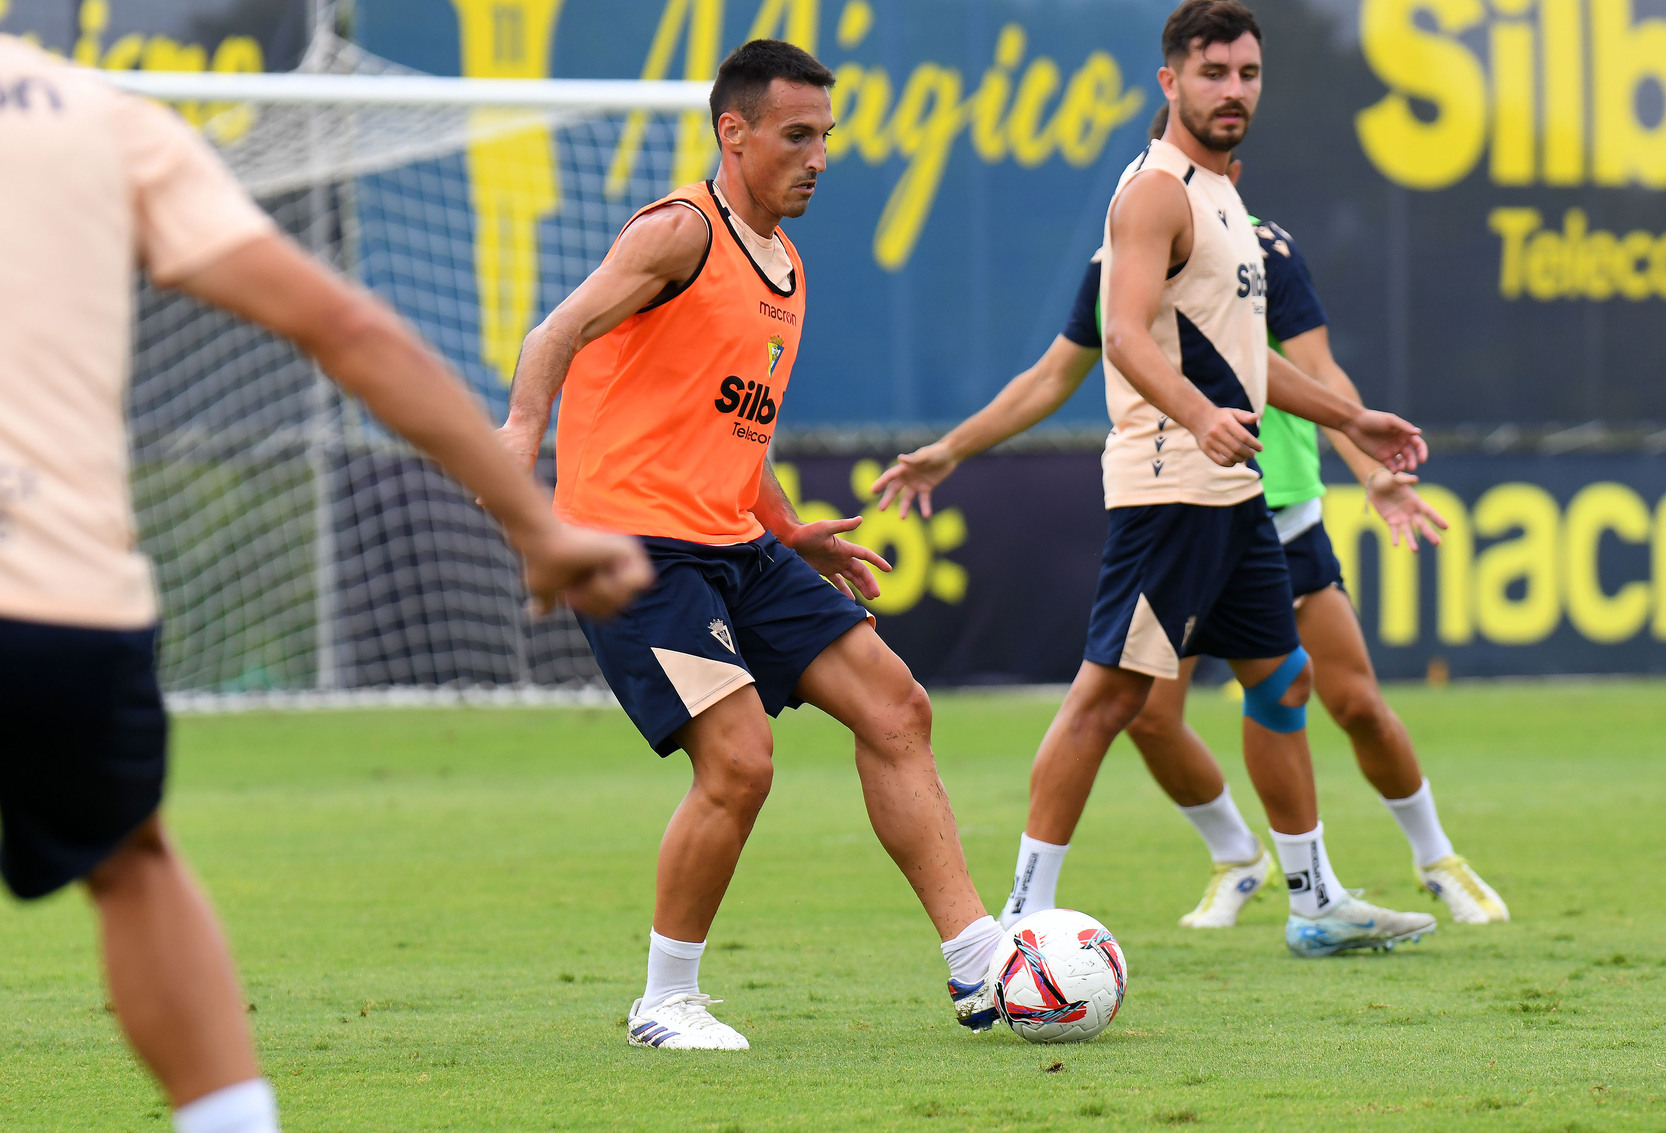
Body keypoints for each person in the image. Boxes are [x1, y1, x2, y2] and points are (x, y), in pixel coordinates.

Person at [0, 35, 651, 1133]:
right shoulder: (95, 118)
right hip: (54, 595)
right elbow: (342, 324)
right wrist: (535, 523)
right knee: (132, 862)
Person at [875, 0, 1437, 958]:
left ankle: (1313, 900)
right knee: (1109, 701)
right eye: (1213, 73)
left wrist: (1352, 418)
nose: (1233, 90)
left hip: (1235, 497)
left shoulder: (1224, 199)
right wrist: (1199, 415)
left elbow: (1251, 361)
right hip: (1171, 489)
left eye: (1247, 73)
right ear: (1170, 81)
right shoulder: (1153, 194)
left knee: (1282, 681)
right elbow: (1124, 336)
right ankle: (1017, 919)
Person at [498, 39, 1003, 1051]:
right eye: (796, 136)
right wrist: (516, 439)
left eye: (825, 137)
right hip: (635, 549)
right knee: (738, 760)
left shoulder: (787, 266)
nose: (818, 157)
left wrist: (788, 530)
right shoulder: (679, 232)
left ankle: (979, 958)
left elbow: (734, 428)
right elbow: (551, 334)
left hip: (734, 543)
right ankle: (664, 1001)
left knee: (895, 705)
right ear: (733, 133)